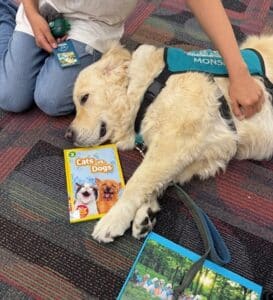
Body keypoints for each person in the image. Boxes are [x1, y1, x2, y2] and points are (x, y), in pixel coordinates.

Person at [0, 0, 264, 119]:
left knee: (51, 98)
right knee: (11, 97)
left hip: (95, 22)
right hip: (41, 7)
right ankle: (7, 10)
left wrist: (238, 71)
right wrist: (32, 14)